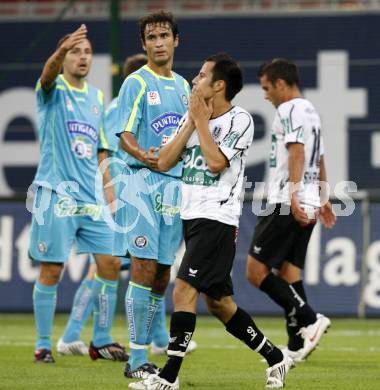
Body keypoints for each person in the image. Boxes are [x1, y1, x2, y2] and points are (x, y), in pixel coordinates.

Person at [129, 53, 293, 390]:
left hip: (217, 217)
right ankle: (275, 356)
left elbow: (217, 162)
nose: (194, 80)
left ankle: (168, 377)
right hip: (191, 217)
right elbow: (163, 161)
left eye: (202, 75)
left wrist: (201, 124)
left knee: (184, 289)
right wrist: (191, 121)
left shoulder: (241, 120)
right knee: (220, 304)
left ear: (219, 85)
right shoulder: (192, 119)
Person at [29, 24, 128, 363]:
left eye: (86, 52)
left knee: (110, 264)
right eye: (76, 51)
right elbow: (46, 75)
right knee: (52, 270)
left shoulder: (97, 98)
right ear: (64, 56)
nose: (83, 57)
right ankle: (43, 344)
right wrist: (58, 51)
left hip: (91, 199)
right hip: (56, 194)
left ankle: (99, 339)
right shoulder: (52, 89)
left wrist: (110, 192)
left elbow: (102, 149)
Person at [113, 11, 191, 378]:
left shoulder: (184, 86)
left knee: (162, 273)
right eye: (152, 37)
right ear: (143, 44)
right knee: (142, 268)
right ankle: (136, 358)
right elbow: (124, 133)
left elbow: (189, 138)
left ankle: (144, 350)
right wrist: (143, 154)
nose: (158, 43)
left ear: (176, 40)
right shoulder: (136, 82)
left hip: (174, 187)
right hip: (141, 182)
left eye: (164, 36)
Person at [245, 58, 336, 364]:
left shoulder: (289, 109)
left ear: (281, 84)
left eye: (267, 87)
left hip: (287, 200)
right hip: (308, 198)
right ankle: (297, 343)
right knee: (289, 272)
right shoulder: (310, 110)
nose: (266, 95)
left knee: (255, 271)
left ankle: (310, 319)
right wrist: (322, 195)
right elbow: (318, 156)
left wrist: (293, 196)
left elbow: (297, 151)